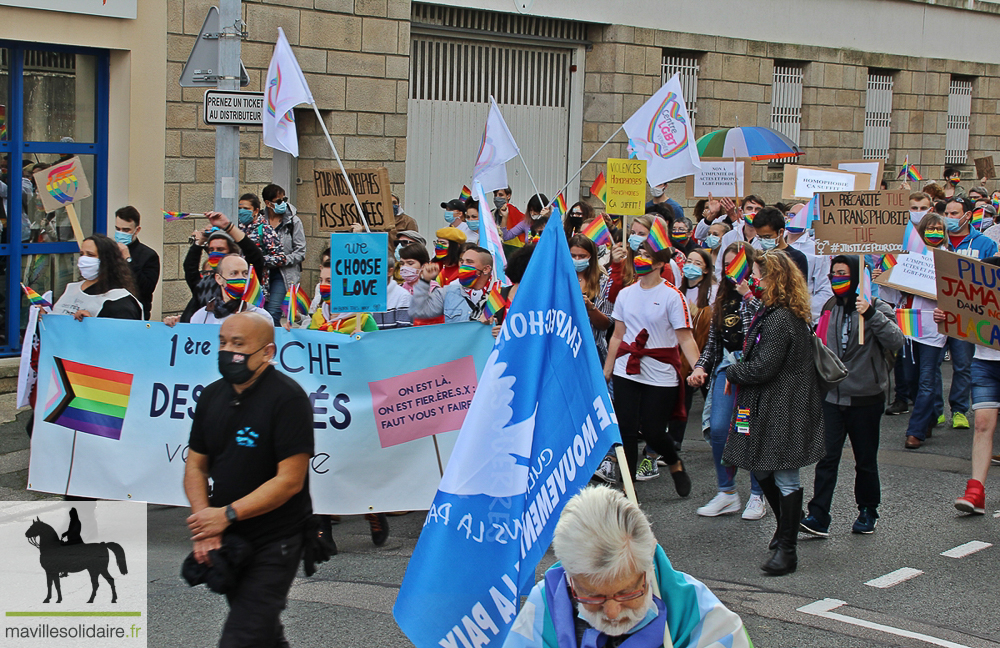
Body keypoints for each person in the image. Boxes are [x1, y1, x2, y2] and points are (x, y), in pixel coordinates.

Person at [184, 313, 313, 648]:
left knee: (242, 637)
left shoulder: (288, 399)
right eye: (223, 343)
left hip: (276, 540)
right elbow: (196, 466)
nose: (228, 352)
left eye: (238, 345)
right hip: (230, 540)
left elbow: (290, 481)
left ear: (267, 352)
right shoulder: (212, 396)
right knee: (264, 636)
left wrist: (225, 514)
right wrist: (204, 524)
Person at [502, 485, 752, 648]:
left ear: (648, 570)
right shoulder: (545, 604)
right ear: (570, 579)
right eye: (593, 596)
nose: (611, 612)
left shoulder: (700, 614)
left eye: (627, 593)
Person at [722, 250, 824, 575]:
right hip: (770, 404)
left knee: (784, 475)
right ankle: (784, 530)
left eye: (759, 275)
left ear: (775, 279)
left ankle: (788, 550)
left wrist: (733, 370)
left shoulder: (781, 318)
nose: (754, 280)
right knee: (763, 469)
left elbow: (765, 367)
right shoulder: (773, 311)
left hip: (784, 406)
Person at [799, 256, 903, 538]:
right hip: (833, 396)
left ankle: (868, 509)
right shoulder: (830, 307)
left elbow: (897, 341)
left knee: (865, 459)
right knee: (827, 457)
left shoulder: (876, 308)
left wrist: (870, 314)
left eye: (843, 274)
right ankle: (819, 514)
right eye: (833, 274)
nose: (836, 279)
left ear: (857, 277)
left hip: (866, 397)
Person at [602, 241, 697, 492]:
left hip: (660, 372)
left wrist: (698, 368)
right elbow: (617, 335)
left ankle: (674, 461)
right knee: (627, 430)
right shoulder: (626, 294)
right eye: (639, 255)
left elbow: (685, 337)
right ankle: (628, 488)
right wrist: (608, 368)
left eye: (646, 256)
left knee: (654, 432)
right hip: (627, 369)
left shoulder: (672, 296)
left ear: (659, 263)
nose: (639, 260)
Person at [688, 242, 767, 520]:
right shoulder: (721, 297)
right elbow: (712, 343)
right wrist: (700, 367)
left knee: (748, 430)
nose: (733, 271)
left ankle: (758, 493)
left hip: (753, 370)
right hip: (726, 369)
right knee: (720, 427)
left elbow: (763, 325)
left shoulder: (761, 293)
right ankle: (727, 492)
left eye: (739, 265)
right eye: (728, 265)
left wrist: (748, 295)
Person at [945, 259, 1000, 514]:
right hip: (984, 363)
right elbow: (958, 316)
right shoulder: (975, 296)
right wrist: (945, 317)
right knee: (981, 425)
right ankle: (976, 491)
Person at [939, 196, 996, 430]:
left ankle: (960, 410)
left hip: (967, 315)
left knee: (963, 364)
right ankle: (933, 410)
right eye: (947, 214)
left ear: (968, 216)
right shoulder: (935, 241)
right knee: (929, 366)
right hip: (938, 311)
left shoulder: (984, 244)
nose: (950, 218)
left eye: (955, 214)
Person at [902, 214, 950, 450]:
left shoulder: (949, 260)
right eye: (930, 229)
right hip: (910, 325)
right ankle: (929, 417)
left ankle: (915, 431)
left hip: (934, 327)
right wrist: (884, 279)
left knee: (927, 380)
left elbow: (957, 297)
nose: (934, 233)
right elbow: (895, 294)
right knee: (911, 378)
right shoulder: (908, 258)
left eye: (939, 229)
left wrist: (948, 312)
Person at [179, 213, 266, 323]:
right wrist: (200, 242)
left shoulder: (243, 282)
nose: (215, 253)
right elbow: (189, 268)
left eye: (220, 249)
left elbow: (255, 257)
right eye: (211, 250)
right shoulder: (204, 284)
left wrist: (228, 226)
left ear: (231, 252)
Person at [51, 233, 143, 321]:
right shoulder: (71, 288)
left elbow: (121, 334)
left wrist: (92, 323)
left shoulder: (120, 301)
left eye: (90, 255)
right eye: (82, 254)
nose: (83, 259)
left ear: (107, 260)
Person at [168, 254, 271, 326]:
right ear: (219, 279)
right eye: (234, 273)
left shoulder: (262, 317)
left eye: (245, 273)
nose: (241, 278)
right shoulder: (202, 316)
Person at [410, 246, 496, 324]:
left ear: (485, 269)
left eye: (469, 262)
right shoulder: (448, 292)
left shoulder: (501, 293)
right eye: (462, 262)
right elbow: (418, 312)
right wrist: (425, 281)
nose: (463, 265)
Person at [262, 184, 307, 326]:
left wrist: (282, 260)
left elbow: (301, 251)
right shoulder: (260, 222)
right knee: (260, 312)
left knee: (273, 311)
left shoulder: (293, 221)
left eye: (284, 199)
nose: (283, 204)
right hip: (264, 273)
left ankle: (274, 343)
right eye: (279, 201)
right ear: (268, 203)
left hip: (284, 274)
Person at [783, 203, 833, 322]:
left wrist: (802, 311)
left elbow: (825, 290)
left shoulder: (817, 251)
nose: (795, 219)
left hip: (801, 316)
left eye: (801, 217)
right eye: (792, 215)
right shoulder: (773, 243)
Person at [570, 234, 612, 365]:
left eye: (582, 256)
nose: (577, 259)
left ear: (591, 257)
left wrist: (590, 307)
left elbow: (606, 323)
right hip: (563, 348)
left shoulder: (604, 282)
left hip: (592, 349)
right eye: (573, 256)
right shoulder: (560, 279)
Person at [113, 206, 160, 321]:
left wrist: (128, 260)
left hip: (134, 314)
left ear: (137, 230)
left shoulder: (149, 255)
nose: (121, 233)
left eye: (126, 230)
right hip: (110, 311)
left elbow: (146, 288)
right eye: (118, 229)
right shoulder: (109, 250)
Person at [238, 193, 287, 298]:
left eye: (246, 208)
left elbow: (281, 258)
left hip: (256, 285)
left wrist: (259, 259)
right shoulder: (236, 229)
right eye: (240, 208)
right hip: (237, 284)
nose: (242, 211)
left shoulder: (265, 230)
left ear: (255, 211)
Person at [713, 195, 766, 279]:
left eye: (757, 209)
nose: (753, 213)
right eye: (749, 208)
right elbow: (720, 265)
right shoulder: (729, 236)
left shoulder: (766, 239)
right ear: (741, 212)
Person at [752, 207, 809, 279]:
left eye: (767, 236)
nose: (763, 240)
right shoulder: (760, 257)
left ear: (781, 232)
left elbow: (800, 288)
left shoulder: (797, 258)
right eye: (760, 237)